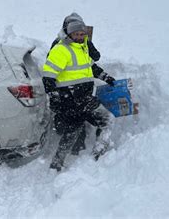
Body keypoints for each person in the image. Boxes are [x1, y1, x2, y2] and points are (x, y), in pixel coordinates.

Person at [43, 17, 115, 171]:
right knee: (105, 119)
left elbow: (91, 67)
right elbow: (48, 76)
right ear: (68, 34)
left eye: (82, 34)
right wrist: (55, 96)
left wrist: (106, 78)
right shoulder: (61, 49)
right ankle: (97, 155)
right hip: (70, 98)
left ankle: (57, 163)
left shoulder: (81, 48)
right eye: (76, 34)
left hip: (83, 97)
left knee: (74, 130)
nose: (80, 37)